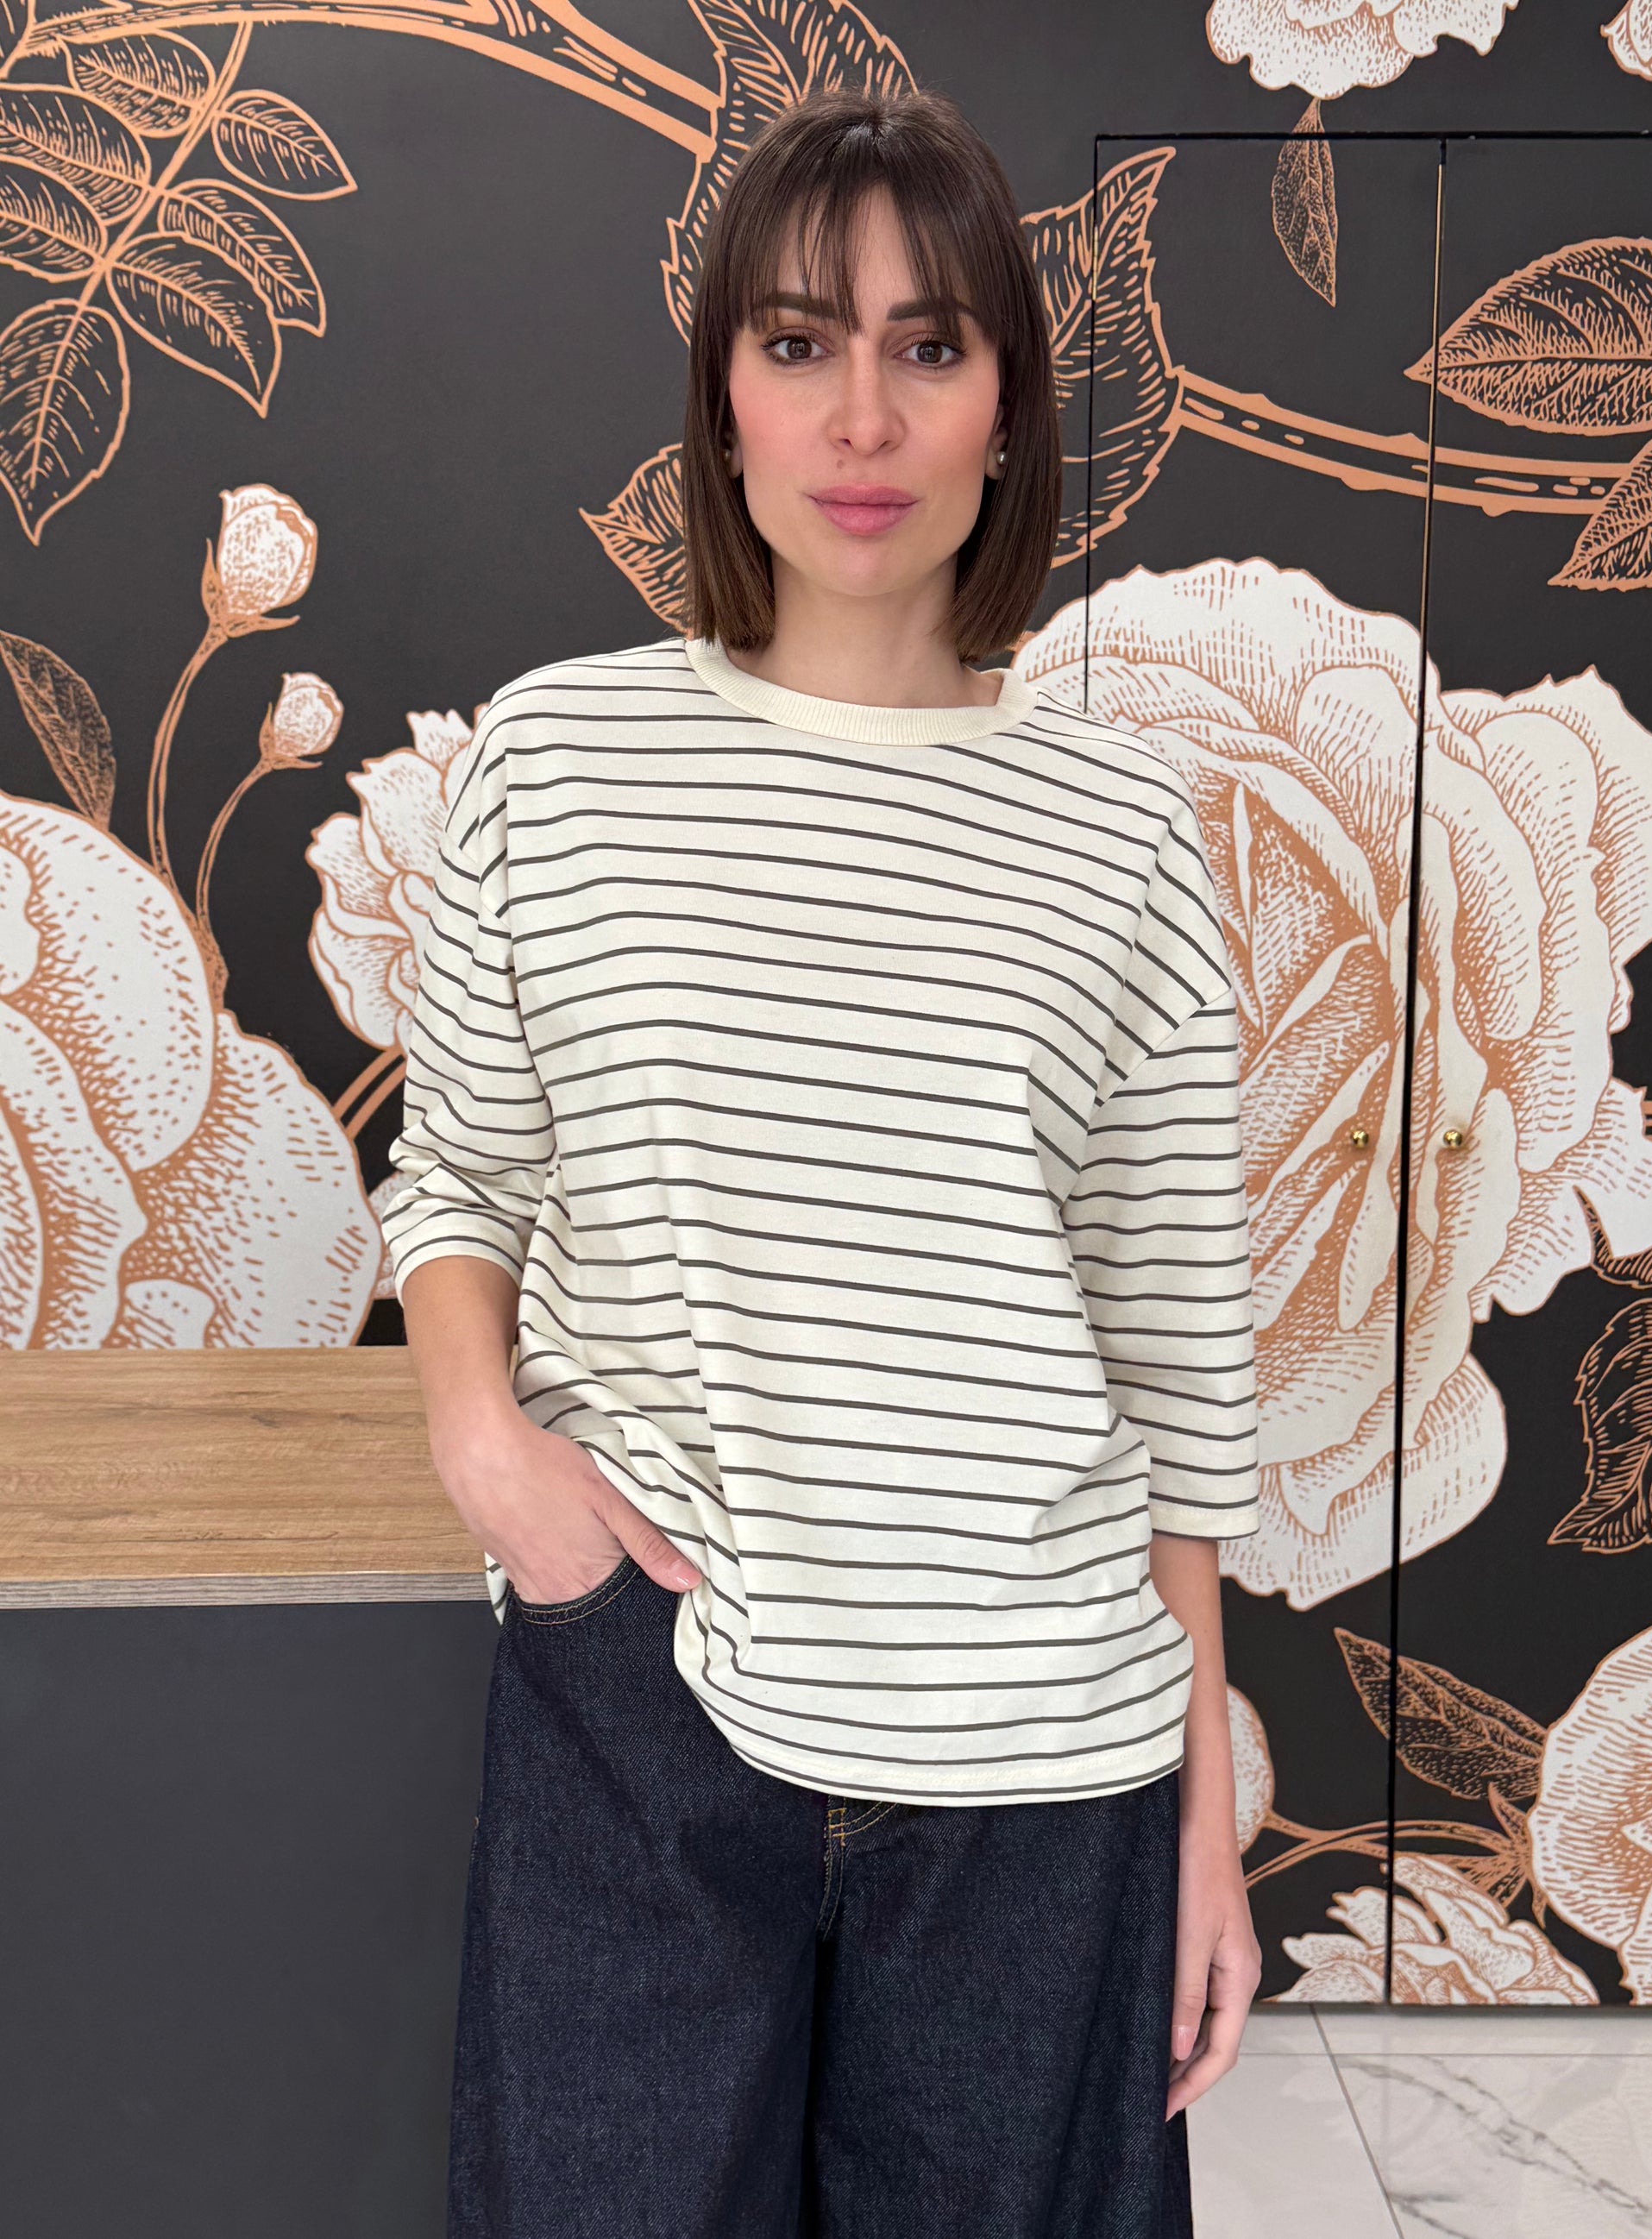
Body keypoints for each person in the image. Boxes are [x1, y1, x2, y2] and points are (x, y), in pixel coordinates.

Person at [386, 85, 1263, 2239]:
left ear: (1006, 405)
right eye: (798, 342)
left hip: (1041, 1758)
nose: (861, 416)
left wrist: (1201, 1820)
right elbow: (459, 1175)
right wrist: (491, 1453)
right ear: (724, 399)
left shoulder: (1123, 834)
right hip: (647, 1695)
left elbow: (1173, 1374)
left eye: (926, 345)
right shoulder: (556, 762)